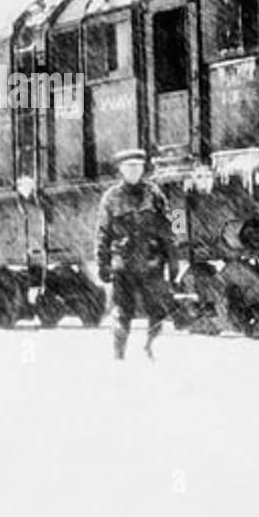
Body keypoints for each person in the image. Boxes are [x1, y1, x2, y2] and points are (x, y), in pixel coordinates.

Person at [94, 148, 178, 361]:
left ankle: (151, 348)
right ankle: (118, 354)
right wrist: (102, 263)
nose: (133, 171)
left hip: (152, 262)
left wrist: (173, 260)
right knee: (123, 312)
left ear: (143, 169)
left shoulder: (155, 194)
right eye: (129, 167)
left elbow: (168, 229)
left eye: (137, 167)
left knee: (158, 310)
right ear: (121, 169)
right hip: (124, 264)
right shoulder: (111, 198)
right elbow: (103, 233)